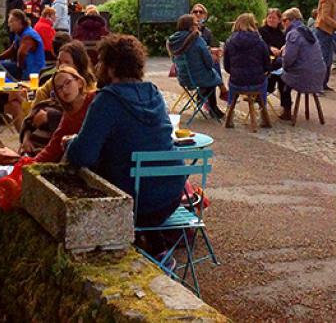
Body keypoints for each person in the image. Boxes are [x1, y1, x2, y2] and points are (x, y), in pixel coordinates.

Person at [65, 34, 185, 227]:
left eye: (101, 62)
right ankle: (154, 243)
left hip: (131, 203)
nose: (97, 68)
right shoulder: (154, 93)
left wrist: (69, 143)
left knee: (79, 175)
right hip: (170, 198)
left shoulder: (107, 100)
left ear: (111, 68)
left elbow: (82, 155)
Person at [33, 66, 97, 164]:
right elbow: (53, 148)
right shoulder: (68, 116)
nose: (64, 89)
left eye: (67, 82)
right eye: (59, 88)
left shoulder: (96, 99)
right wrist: (29, 164)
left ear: (79, 82)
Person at [167, 13, 225, 120]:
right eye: (195, 23)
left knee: (210, 74)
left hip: (183, 78)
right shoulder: (196, 39)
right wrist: (212, 57)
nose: (198, 25)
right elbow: (209, 63)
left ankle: (206, 98)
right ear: (190, 26)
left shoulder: (172, 41)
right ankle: (214, 105)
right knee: (212, 73)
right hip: (197, 78)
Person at [279, 8, 325, 113]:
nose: (282, 24)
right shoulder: (309, 31)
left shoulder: (293, 34)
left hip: (304, 76)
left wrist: (283, 62)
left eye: (283, 21)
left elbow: (288, 59)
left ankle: (286, 111)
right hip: (319, 74)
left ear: (289, 20)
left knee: (281, 78)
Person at [0, 9, 46, 82]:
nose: (9, 24)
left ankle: (13, 84)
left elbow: (22, 53)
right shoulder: (20, 33)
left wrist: (19, 66)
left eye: (11, 22)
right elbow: (12, 50)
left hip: (32, 72)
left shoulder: (28, 35)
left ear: (19, 21)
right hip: (26, 68)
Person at [259, 9, 288, 108]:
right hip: (265, 61)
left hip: (279, 62)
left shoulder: (282, 33)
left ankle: (286, 107)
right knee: (276, 76)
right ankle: (261, 102)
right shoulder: (261, 31)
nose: (271, 20)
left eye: (274, 18)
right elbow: (260, 45)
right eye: (269, 17)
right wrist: (270, 48)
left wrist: (283, 49)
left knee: (284, 78)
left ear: (279, 20)